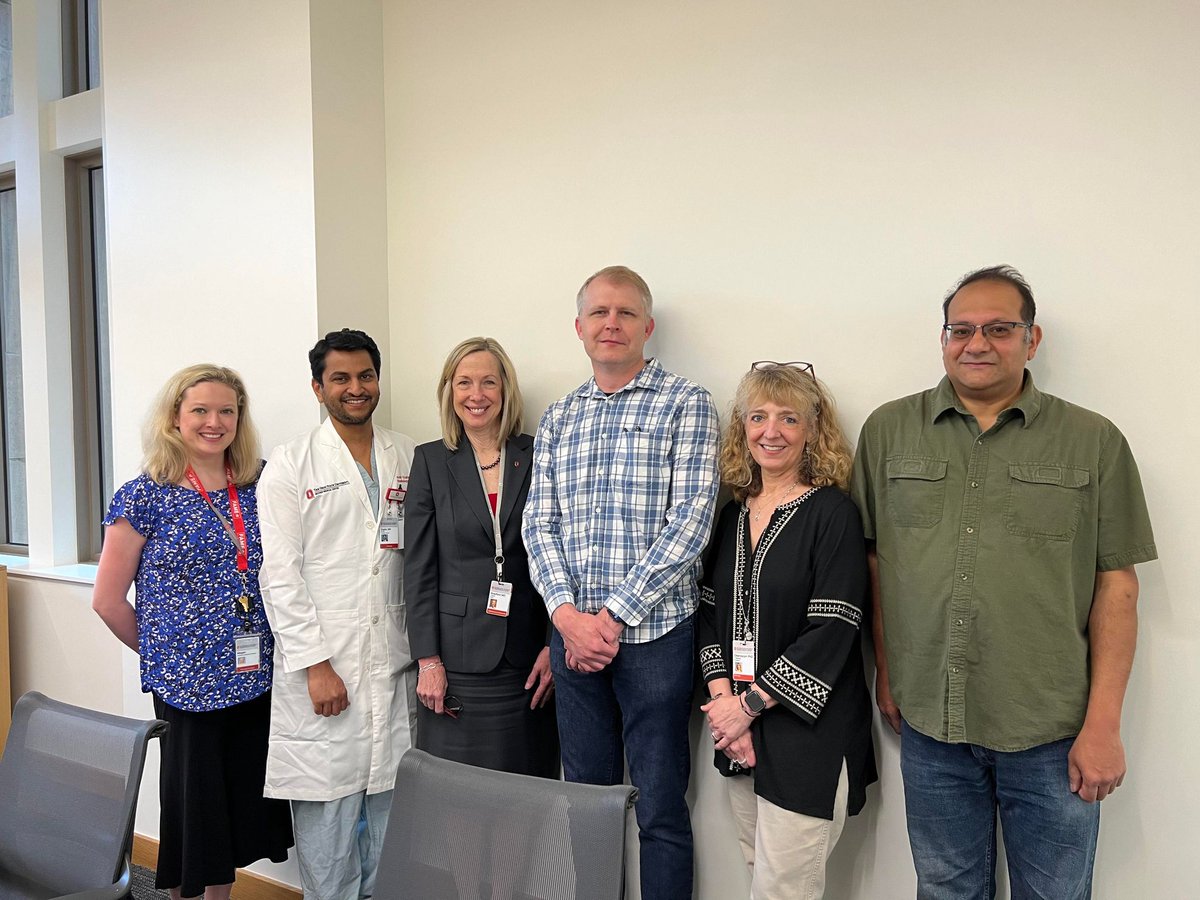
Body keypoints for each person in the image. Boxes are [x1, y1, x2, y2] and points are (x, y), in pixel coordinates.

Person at [850, 265, 1158, 899]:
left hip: (1050, 728)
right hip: (931, 723)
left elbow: (1117, 588)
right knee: (945, 891)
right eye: (961, 329)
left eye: (998, 327)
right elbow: (876, 566)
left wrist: (1104, 725)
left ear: (1031, 338)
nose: (977, 342)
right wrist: (887, 673)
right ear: (943, 339)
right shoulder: (887, 432)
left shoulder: (1093, 441)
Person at [522, 265, 719, 900]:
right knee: (585, 800)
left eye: (626, 313)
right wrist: (565, 615)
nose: (612, 323)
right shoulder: (559, 417)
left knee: (661, 804)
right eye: (600, 313)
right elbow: (537, 524)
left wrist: (609, 618)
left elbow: (690, 524)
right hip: (572, 638)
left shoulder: (687, 404)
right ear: (578, 328)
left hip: (656, 637)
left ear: (647, 327)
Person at [92, 364, 293, 900]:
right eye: (200, 410)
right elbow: (107, 601)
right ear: (175, 418)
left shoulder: (261, 483)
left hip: (257, 677)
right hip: (188, 689)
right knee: (195, 814)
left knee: (237, 810)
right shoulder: (145, 496)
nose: (214, 421)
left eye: (227, 410)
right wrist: (165, 651)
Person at [698, 361, 877, 900]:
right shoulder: (729, 515)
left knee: (784, 890)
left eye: (788, 418)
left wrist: (747, 706)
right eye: (758, 416)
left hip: (809, 736)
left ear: (813, 430)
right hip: (738, 731)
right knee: (757, 871)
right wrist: (726, 704)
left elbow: (832, 630)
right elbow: (708, 614)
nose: (770, 431)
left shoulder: (833, 514)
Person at [257, 329, 417, 900]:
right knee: (329, 838)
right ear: (318, 388)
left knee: (391, 828)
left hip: (392, 665)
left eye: (366, 376)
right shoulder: (290, 464)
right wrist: (315, 665)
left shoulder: (408, 455)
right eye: (341, 379)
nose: (356, 388)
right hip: (326, 670)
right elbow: (279, 576)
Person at [405, 336, 558, 776]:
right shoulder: (431, 461)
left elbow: (560, 554)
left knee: (525, 794)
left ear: (505, 390)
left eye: (489, 382)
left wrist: (554, 645)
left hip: (529, 662)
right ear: (449, 392)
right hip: (455, 664)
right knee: (457, 803)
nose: (477, 395)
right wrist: (428, 661)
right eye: (464, 383)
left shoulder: (538, 453)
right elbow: (418, 568)